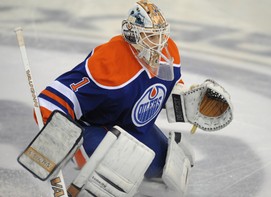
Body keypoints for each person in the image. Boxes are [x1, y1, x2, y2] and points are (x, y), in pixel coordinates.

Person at [31, 0, 232, 196]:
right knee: (123, 170)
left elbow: (162, 90)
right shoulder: (109, 61)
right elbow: (51, 101)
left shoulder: (169, 51)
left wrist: (185, 100)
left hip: (130, 125)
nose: (160, 43)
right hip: (91, 127)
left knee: (167, 171)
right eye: (151, 37)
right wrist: (54, 135)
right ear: (132, 34)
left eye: (161, 35)